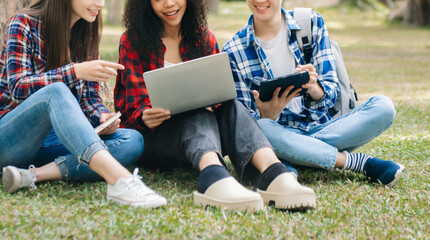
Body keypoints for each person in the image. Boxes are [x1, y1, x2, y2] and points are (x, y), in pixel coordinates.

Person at [114, 0, 316, 211]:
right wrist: (144, 115)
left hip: (202, 139)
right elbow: (131, 107)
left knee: (232, 106)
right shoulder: (132, 41)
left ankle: (274, 173)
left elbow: (220, 93)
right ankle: (212, 177)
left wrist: (215, 101)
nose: (169, 4)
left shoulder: (204, 38)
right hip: (157, 139)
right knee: (195, 111)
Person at [0, 0, 167, 208]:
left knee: (132, 140)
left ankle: (33, 175)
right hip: (8, 142)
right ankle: (120, 180)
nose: (100, 4)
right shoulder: (23, 24)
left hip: (51, 143)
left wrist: (102, 117)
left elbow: (88, 99)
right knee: (56, 91)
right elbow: (17, 88)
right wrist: (74, 71)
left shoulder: (85, 32)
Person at [222, 0, 405, 187]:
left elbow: (332, 90)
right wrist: (268, 116)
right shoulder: (233, 52)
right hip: (277, 133)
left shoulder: (311, 23)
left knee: (383, 107)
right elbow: (244, 125)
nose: (259, 0)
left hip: (326, 128)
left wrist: (315, 87)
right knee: (263, 128)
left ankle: (294, 158)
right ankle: (357, 163)